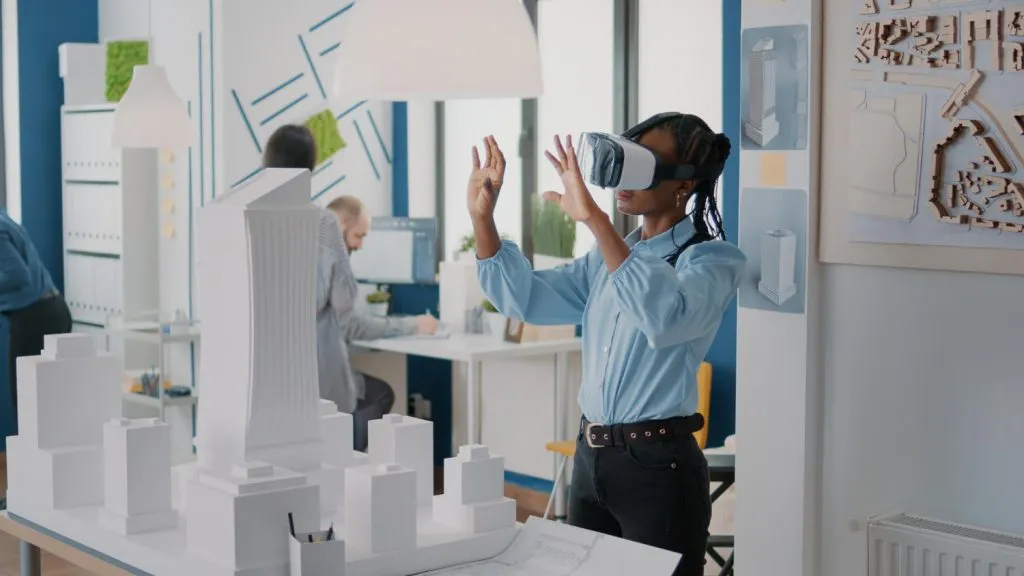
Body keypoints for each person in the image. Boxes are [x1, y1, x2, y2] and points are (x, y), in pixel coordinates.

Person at [468, 113, 746, 576]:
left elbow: (665, 316)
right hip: (591, 457)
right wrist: (483, 219)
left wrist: (596, 220)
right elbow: (526, 298)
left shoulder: (711, 259)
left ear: (684, 183)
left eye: (646, 163)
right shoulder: (607, 259)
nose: (624, 179)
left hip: (658, 470)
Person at [261, 124, 436, 450]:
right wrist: (413, 324)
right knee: (379, 395)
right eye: (359, 236)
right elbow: (349, 323)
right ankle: (350, 466)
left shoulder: (253, 221)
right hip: (319, 387)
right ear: (309, 168)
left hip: (271, 387)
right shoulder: (324, 224)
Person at [1, 211, 73, 432]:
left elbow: (18, 276)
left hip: (35, 318)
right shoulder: (4, 219)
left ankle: (30, 466)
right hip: (54, 310)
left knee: (27, 404)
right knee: (50, 405)